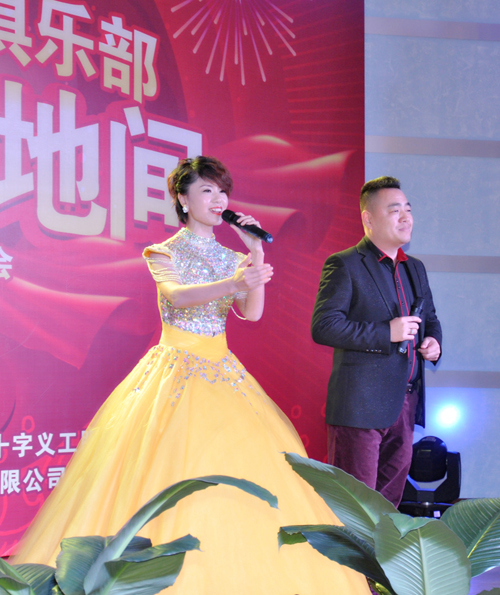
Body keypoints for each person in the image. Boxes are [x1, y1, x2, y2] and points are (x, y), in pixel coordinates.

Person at [13, 156, 369, 594]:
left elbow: (252, 313)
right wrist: (236, 282)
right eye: (207, 191)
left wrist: (255, 255)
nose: (218, 200)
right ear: (182, 199)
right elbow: (177, 297)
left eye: (222, 192)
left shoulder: (233, 256)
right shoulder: (163, 252)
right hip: (174, 370)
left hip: (224, 372)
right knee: (154, 473)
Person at [311, 176, 442, 508]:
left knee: (387, 509)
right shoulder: (345, 264)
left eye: (408, 209)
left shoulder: (415, 269)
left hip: (405, 404)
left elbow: (430, 319)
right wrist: (387, 333)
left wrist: (433, 342)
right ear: (368, 218)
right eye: (395, 210)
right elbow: (324, 327)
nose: (405, 217)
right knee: (356, 509)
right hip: (360, 406)